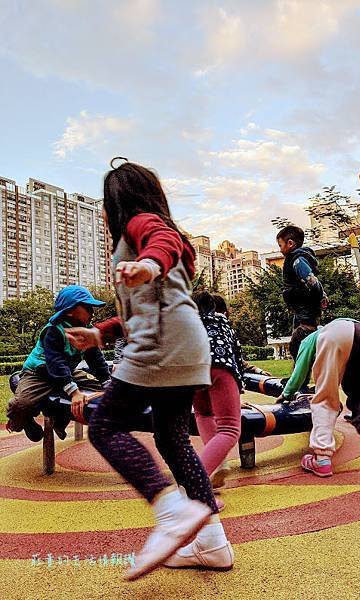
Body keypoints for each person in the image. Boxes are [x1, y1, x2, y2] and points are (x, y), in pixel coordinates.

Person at [66, 159, 233, 579]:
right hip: (188, 346)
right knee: (172, 439)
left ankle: (170, 509)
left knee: (104, 425)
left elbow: (163, 240)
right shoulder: (140, 239)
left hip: (161, 348)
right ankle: (212, 544)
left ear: (119, 201)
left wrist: (149, 265)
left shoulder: (143, 226)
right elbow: (147, 306)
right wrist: (101, 333)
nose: (103, 213)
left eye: (106, 203)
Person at [277, 320, 360, 477]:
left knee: (324, 399)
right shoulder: (326, 328)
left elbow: (299, 374)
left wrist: (287, 394)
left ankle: (322, 459)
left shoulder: (308, 340)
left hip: (338, 335)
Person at [6, 286, 110, 442]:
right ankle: (25, 422)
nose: (92, 311)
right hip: (39, 373)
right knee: (20, 404)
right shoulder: (54, 331)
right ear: (70, 310)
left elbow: (96, 359)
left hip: (65, 371)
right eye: (87, 307)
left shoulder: (87, 330)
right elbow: (55, 363)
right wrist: (74, 392)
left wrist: (107, 382)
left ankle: (59, 420)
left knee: (97, 386)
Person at [192, 291, 243, 496]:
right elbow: (236, 356)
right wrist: (237, 391)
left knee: (203, 414)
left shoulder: (186, 325)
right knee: (230, 428)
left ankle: (219, 462)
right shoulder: (221, 322)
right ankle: (194, 484)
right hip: (219, 368)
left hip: (192, 372)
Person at [276, 225, 327, 337]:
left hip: (306, 312)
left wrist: (320, 296)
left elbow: (312, 281)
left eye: (280, 245)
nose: (280, 250)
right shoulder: (296, 258)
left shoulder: (297, 260)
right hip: (301, 310)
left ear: (290, 243)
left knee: (303, 342)